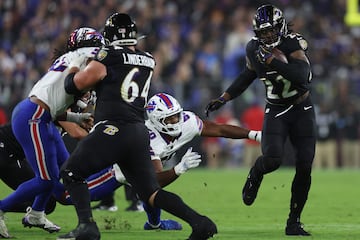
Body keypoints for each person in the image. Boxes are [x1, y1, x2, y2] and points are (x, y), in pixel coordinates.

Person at [58, 13, 218, 240]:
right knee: (151, 192)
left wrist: (74, 65)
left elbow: (74, 85)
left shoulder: (108, 56)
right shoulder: (148, 59)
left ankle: (87, 226)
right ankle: (200, 222)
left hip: (112, 129)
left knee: (71, 173)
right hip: (137, 132)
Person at [205, 4, 316, 236]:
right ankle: (255, 173)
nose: (267, 36)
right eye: (262, 32)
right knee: (273, 159)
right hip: (276, 109)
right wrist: (224, 98)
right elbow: (248, 75)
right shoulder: (253, 48)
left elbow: (303, 78)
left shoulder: (293, 44)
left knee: (305, 166)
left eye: (270, 31)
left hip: (301, 108)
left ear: (281, 27)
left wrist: (273, 62)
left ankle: (293, 222)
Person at [94, 92, 262, 231]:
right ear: (155, 120)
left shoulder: (186, 121)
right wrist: (179, 169)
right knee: (67, 196)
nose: (176, 121)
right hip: (115, 172)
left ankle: (154, 225)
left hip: (139, 175)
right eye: (170, 119)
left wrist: (253, 134)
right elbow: (154, 180)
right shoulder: (146, 138)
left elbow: (219, 129)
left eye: (176, 116)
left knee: (146, 191)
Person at [0, 27, 105, 238]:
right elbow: (68, 90)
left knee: (58, 174)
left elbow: (55, 105)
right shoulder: (83, 58)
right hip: (35, 116)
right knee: (47, 179)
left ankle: (37, 213)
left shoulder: (71, 57)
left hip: (40, 115)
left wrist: (77, 118)